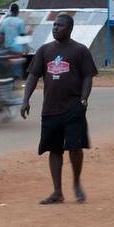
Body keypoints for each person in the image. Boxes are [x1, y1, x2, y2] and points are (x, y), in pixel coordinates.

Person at [21, 14, 97, 204]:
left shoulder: (80, 50)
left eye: (60, 25)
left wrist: (84, 99)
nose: (55, 28)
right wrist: (25, 100)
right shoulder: (44, 51)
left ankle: (77, 183)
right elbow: (32, 76)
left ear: (69, 29)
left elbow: (88, 76)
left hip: (73, 107)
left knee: (75, 147)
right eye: (54, 25)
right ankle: (57, 192)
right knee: (54, 150)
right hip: (50, 109)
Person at [0, 4, 27, 80]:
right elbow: (22, 35)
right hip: (17, 49)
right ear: (18, 11)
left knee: (8, 67)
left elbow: (2, 35)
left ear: (10, 11)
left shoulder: (4, 21)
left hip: (7, 48)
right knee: (16, 68)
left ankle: (9, 81)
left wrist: (1, 47)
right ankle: (15, 82)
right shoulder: (20, 22)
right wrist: (25, 48)